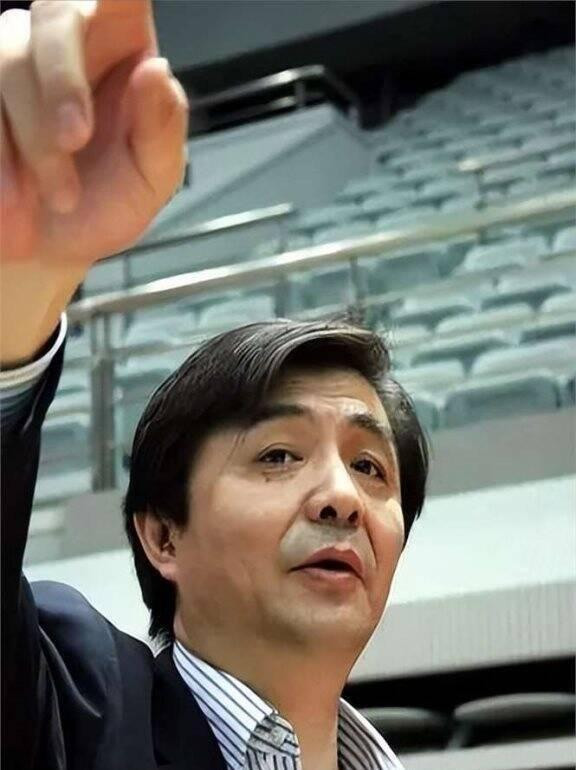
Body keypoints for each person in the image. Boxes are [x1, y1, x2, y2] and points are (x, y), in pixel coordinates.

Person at [0, 2, 429, 769]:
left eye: (371, 467)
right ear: (164, 536)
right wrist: (19, 288)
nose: (342, 497)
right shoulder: (76, 708)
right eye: (277, 456)